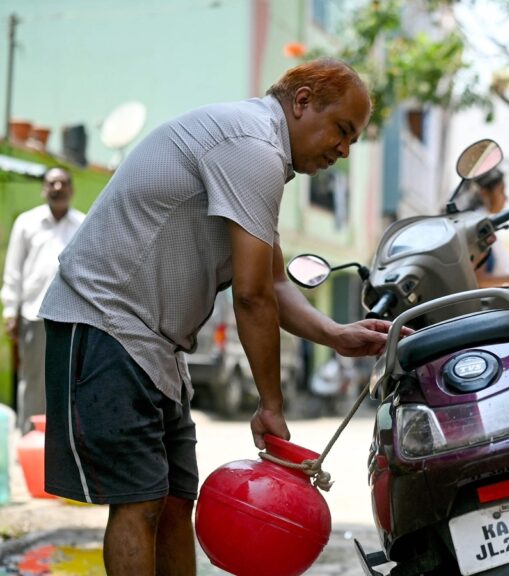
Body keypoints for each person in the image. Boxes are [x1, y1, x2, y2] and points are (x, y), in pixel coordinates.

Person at [38, 58, 405, 576]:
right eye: (342, 130)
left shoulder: (260, 154)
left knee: (172, 502)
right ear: (301, 102)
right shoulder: (252, 145)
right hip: (103, 320)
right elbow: (252, 295)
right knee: (140, 501)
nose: (343, 150)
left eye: (353, 141)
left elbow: (275, 281)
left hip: (154, 345)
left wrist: (336, 333)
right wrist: (271, 405)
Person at [1, 168, 84, 434]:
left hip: (72, 317)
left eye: (63, 182)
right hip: (33, 315)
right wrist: (10, 311)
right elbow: (13, 271)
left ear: (72, 189)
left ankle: (63, 443)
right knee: (34, 381)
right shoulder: (27, 223)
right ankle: (29, 439)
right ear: (43, 189)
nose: (57, 187)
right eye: (51, 183)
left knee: (70, 382)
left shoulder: (83, 224)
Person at [465, 169, 509, 292]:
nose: (506, 197)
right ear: (484, 193)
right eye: (501, 191)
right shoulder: (479, 225)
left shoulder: (482, 221)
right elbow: (478, 279)